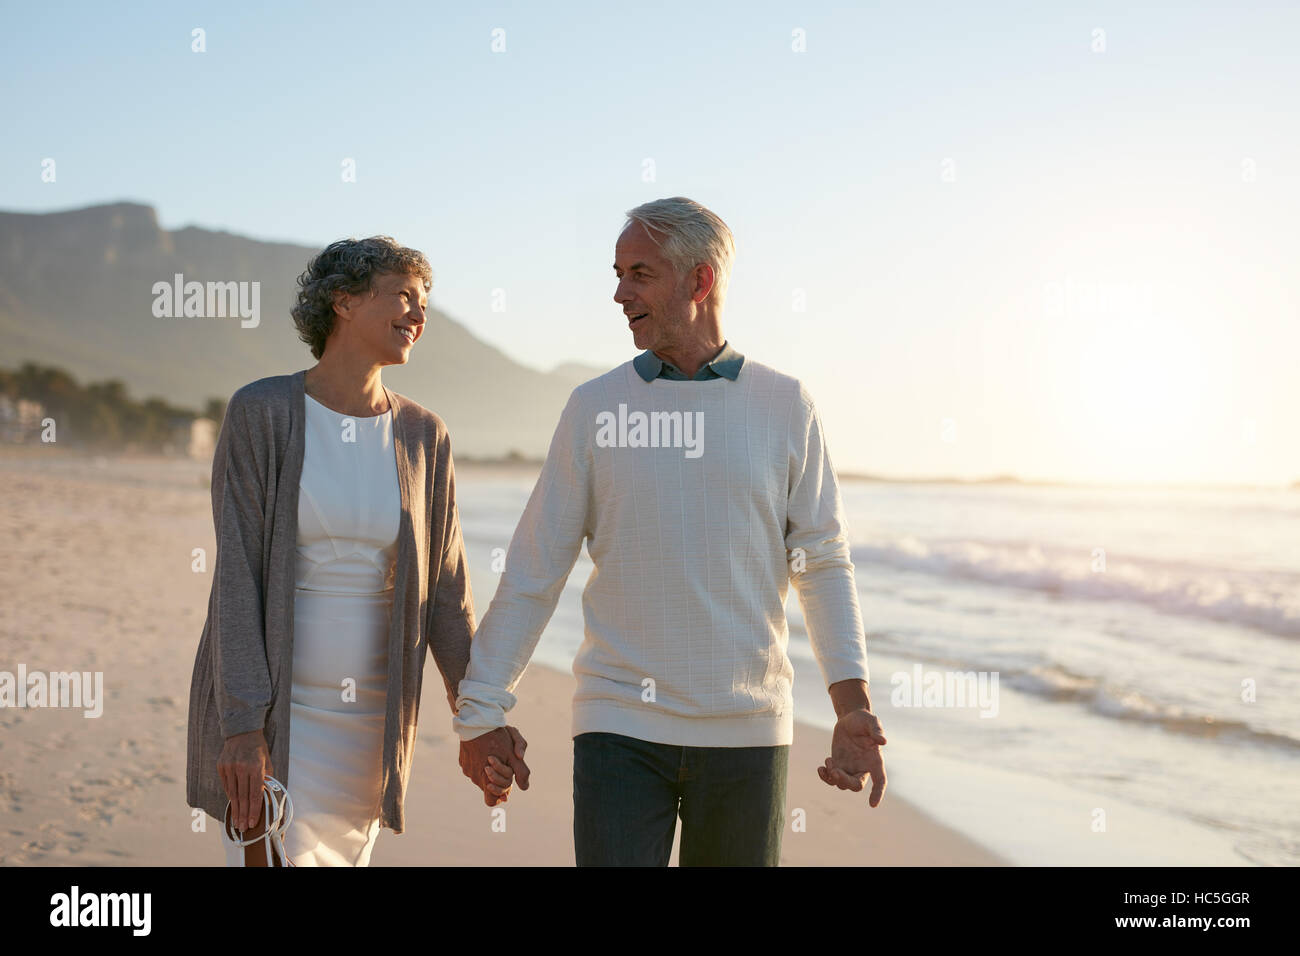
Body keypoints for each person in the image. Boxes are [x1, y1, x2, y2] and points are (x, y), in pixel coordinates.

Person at [454, 197, 887, 866]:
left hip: (748, 731)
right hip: (618, 726)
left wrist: (851, 704)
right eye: (618, 272)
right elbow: (537, 567)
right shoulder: (595, 407)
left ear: (700, 280)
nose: (620, 292)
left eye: (639, 273)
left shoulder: (784, 404)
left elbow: (822, 562)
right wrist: (479, 711)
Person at [184, 236, 524, 866]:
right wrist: (239, 726)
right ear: (342, 301)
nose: (419, 316)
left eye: (423, 303)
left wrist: (479, 715)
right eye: (404, 296)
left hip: (372, 727)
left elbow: (447, 595)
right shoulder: (261, 413)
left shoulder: (424, 435)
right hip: (277, 721)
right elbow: (236, 579)